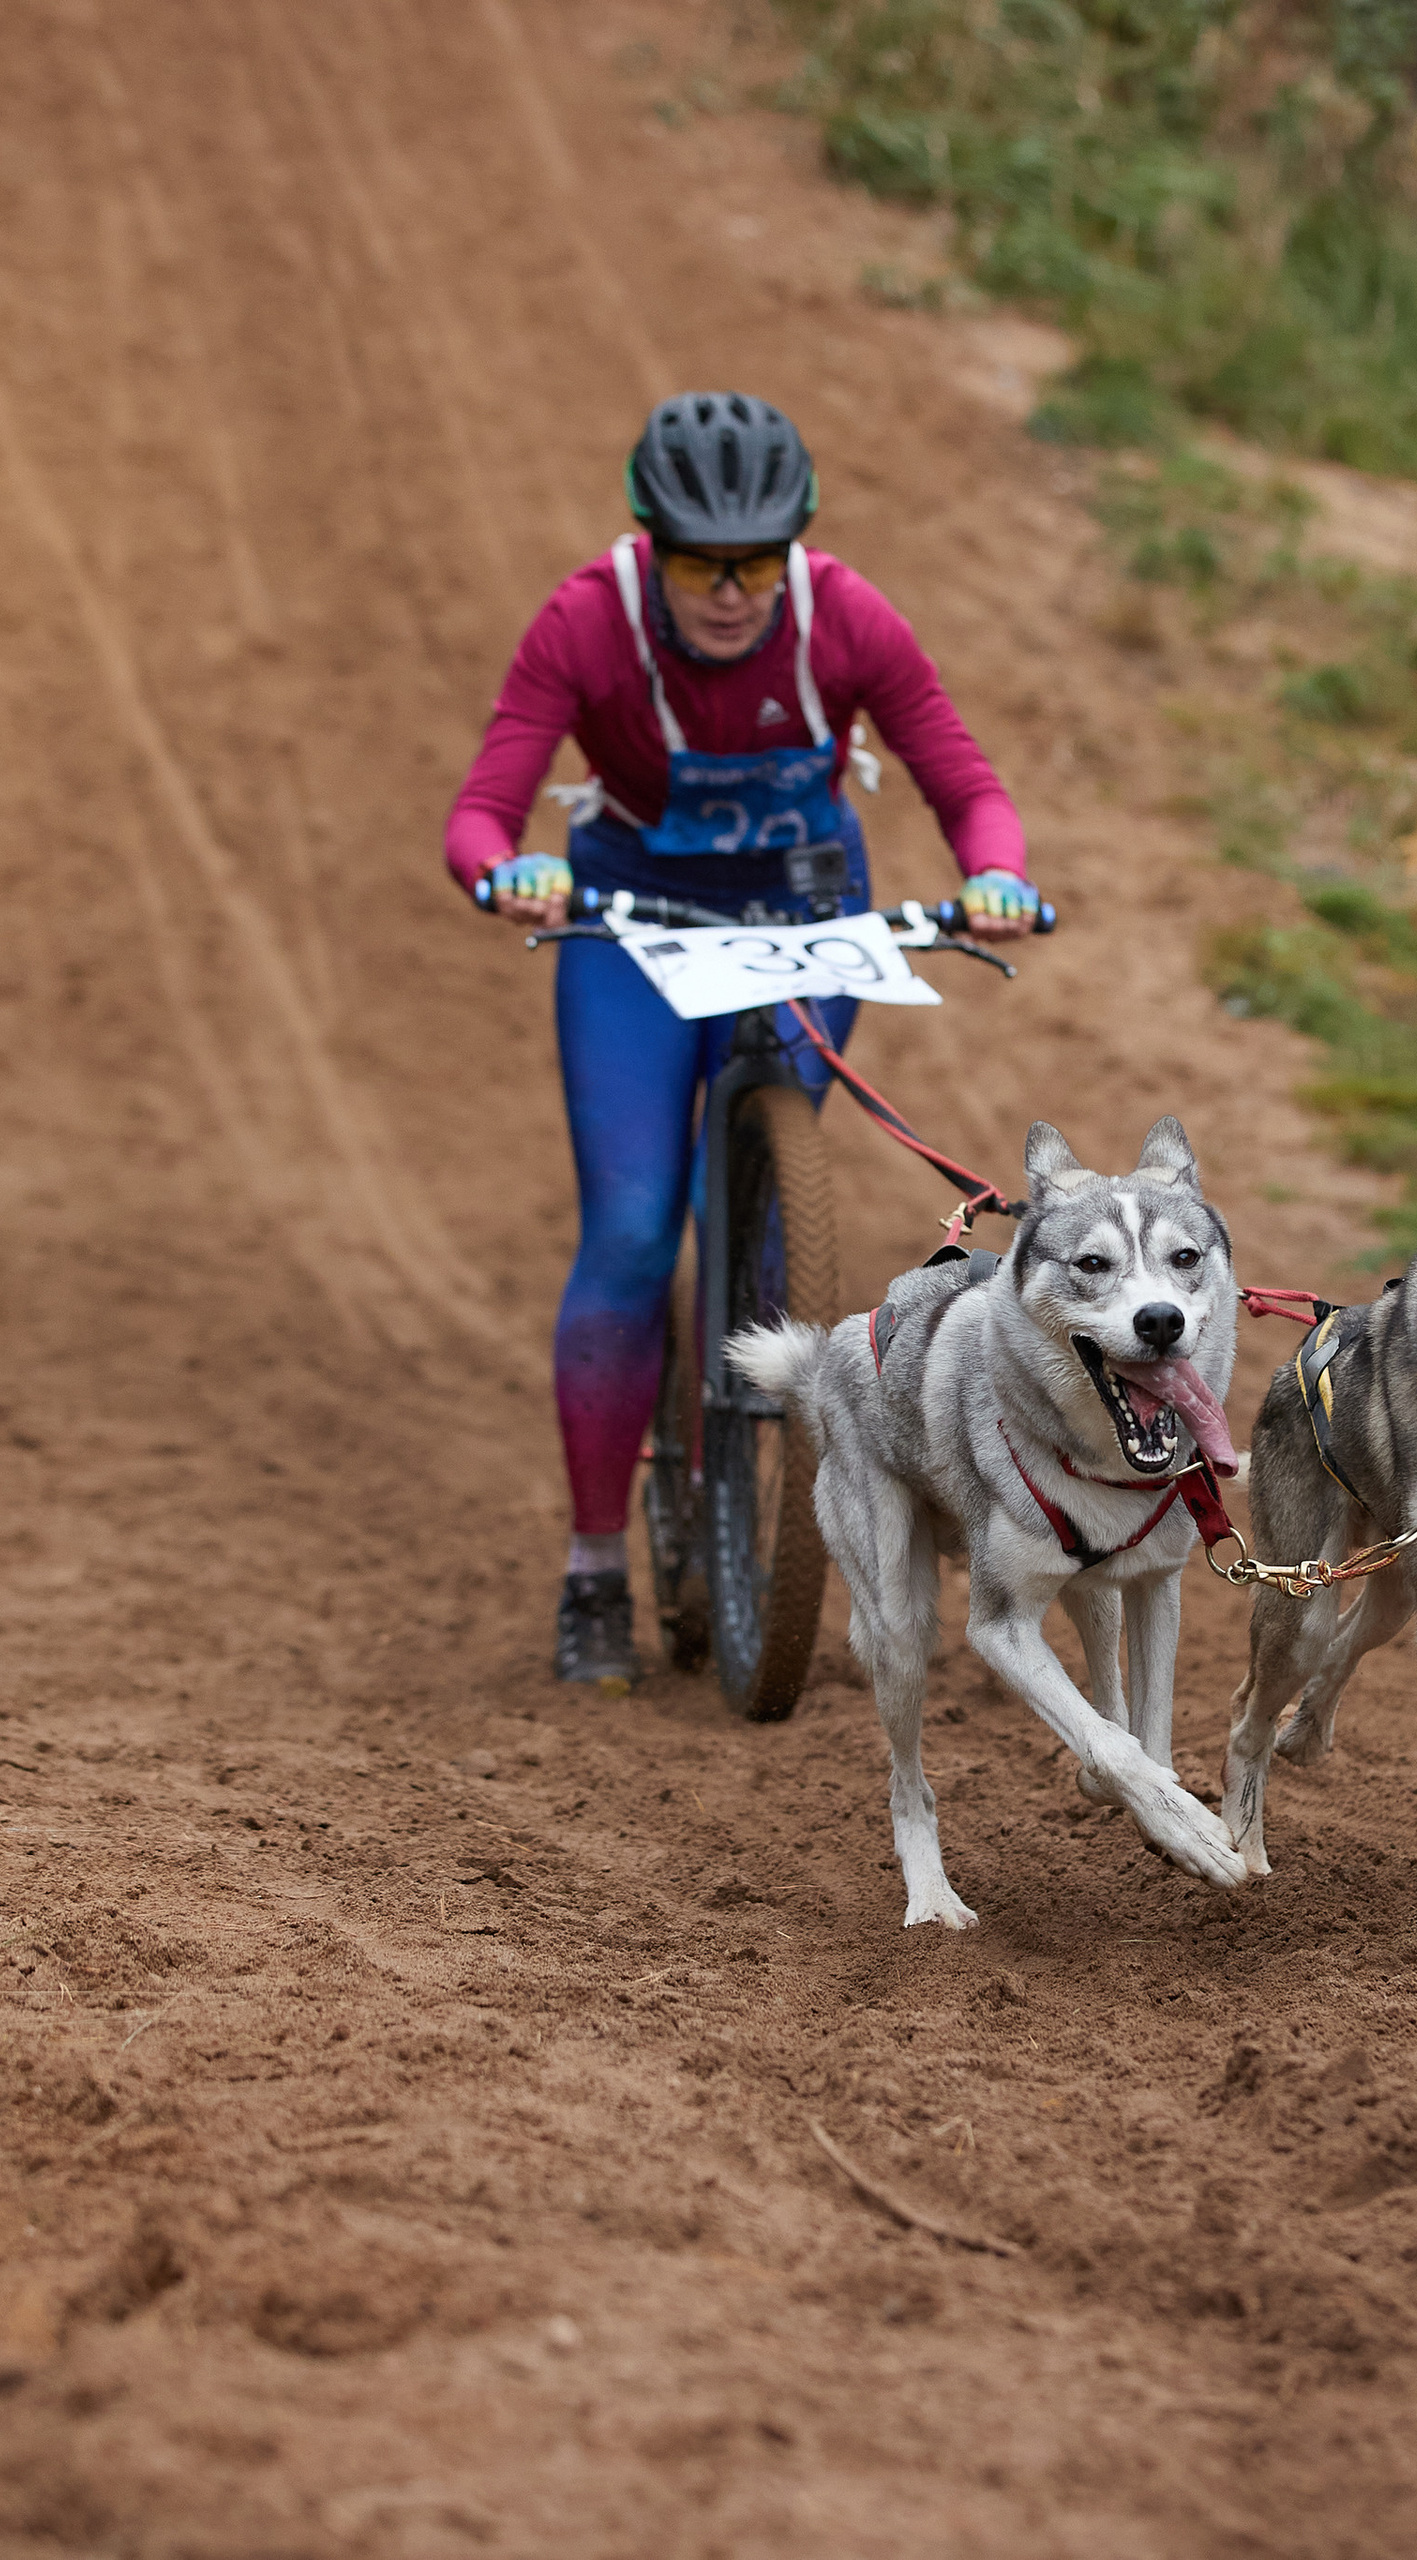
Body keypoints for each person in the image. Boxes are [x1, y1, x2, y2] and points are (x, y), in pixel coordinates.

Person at [446, 391, 1039, 1688]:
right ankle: (594, 1568)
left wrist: (994, 872)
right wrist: (508, 870)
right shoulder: (585, 622)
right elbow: (484, 809)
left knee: (760, 1232)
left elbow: (962, 778)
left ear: (795, 547)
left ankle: (751, 1449)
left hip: (804, 915)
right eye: (700, 565)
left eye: (758, 564)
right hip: (633, 929)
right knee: (630, 1232)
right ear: (651, 545)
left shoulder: (848, 618)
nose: (729, 594)